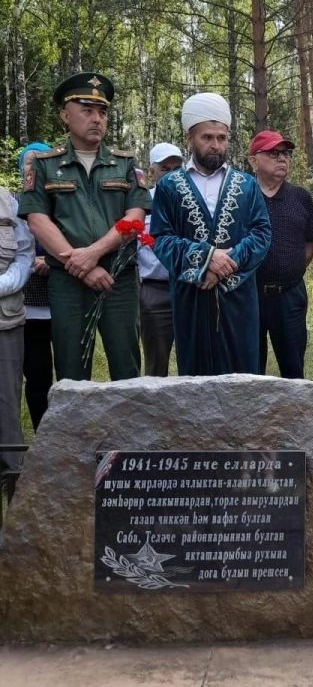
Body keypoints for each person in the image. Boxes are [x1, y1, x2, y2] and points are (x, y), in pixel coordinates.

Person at [18, 72, 150, 381]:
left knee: (127, 369)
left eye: (102, 112)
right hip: (68, 283)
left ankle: (130, 431)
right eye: (87, 110)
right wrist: (82, 265)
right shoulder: (43, 164)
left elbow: (135, 218)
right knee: (71, 372)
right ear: (65, 115)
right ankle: (74, 432)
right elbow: (38, 221)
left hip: (118, 281)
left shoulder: (125, 163)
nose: (97, 119)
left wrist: (93, 254)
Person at [150, 93, 271, 375]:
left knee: (242, 374)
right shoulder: (169, 186)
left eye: (222, 138)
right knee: (195, 375)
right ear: (189, 138)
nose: (216, 145)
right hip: (191, 297)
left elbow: (262, 233)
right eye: (207, 137)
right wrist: (205, 259)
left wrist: (226, 265)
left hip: (238, 297)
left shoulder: (247, 184)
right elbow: (161, 237)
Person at [248, 129, 313, 379]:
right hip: (248, 296)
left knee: (293, 369)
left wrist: (291, 271)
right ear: (253, 160)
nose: (282, 159)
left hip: (289, 296)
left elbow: (309, 244)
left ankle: (294, 417)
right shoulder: (242, 196)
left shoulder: (300, 197)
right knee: (249, 369)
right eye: (273, 153)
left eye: (285, 154)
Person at [138, 143, 183, 376]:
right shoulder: (142, 204)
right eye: (166, 169)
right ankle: (154, 412)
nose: (173, 174)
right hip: (155, 291)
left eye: (178, 168)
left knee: (196, 362)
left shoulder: (194, 202)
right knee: (156, 365)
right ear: (152, 172)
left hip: (189, 288)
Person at [17, 142, 53, 429]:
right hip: (29, 306)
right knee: (37, 372)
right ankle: (43, 434)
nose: (33, 169)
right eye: (28, 163)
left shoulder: (62, 199)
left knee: (69, 374)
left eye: (38, 162)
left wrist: (52, 260)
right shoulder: (13, 207)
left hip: (63, 299)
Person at [0, 187, 33, 471]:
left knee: (7, 400)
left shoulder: (8, 201)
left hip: (5, 320)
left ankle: (11, 471)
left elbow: (24, 254)